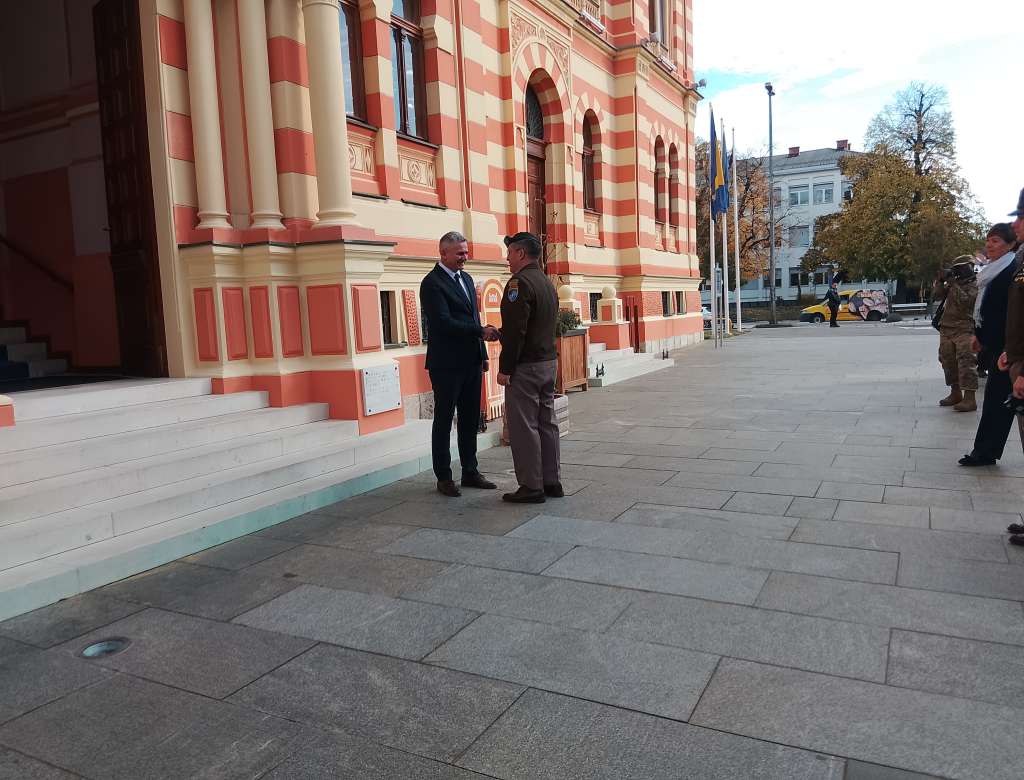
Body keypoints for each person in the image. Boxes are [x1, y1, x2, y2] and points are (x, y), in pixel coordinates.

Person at [419, 231, 500, 497]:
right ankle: (444, 477)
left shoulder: (465, 278)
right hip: (447, 364)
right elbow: (443, 323)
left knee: (470, 419)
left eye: (466, 252)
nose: (465, 257)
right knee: (444, 420)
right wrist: (480, 332)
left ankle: (470, 471)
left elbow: (473, 317)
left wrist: (483, 354)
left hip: (471, 361)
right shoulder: (432, 283)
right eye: (460, 253)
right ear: (443, 253)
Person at [496, 232, 561, 503]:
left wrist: (505, 368)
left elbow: (516, 331)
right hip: (548, 363)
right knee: (547, 423)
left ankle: (531, 486)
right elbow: (536, 324)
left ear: (521, 253)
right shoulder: (546, 282)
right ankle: (551, 481)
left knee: (524, 427)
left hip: (526, 366)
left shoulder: (518, 283)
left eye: (510, 252)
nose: (507, 258)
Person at [960, 224, 1019, 466]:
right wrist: (979, 335)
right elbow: (986, 308)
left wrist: (1009, 348)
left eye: (995, 241)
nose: (989, 245)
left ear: (1010, 244)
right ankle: (986, 450)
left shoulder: (1012, 271)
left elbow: (1012, 313)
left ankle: (985, 452)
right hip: (995, 344)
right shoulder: (993, 271)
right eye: (988, 240)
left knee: (998, 400)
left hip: (1008, 347)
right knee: (996, 399)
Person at [933, 257, 979, 412]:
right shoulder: (954, 283)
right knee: (948, 361)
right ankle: (955, 392)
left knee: (966, 362)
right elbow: (937, 296)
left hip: (964, 328)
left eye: (960, 268)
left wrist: (953, 283)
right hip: (947, 328)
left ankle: (970, 398)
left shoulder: (974, 285)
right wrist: (940, 281)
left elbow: (966, 302)